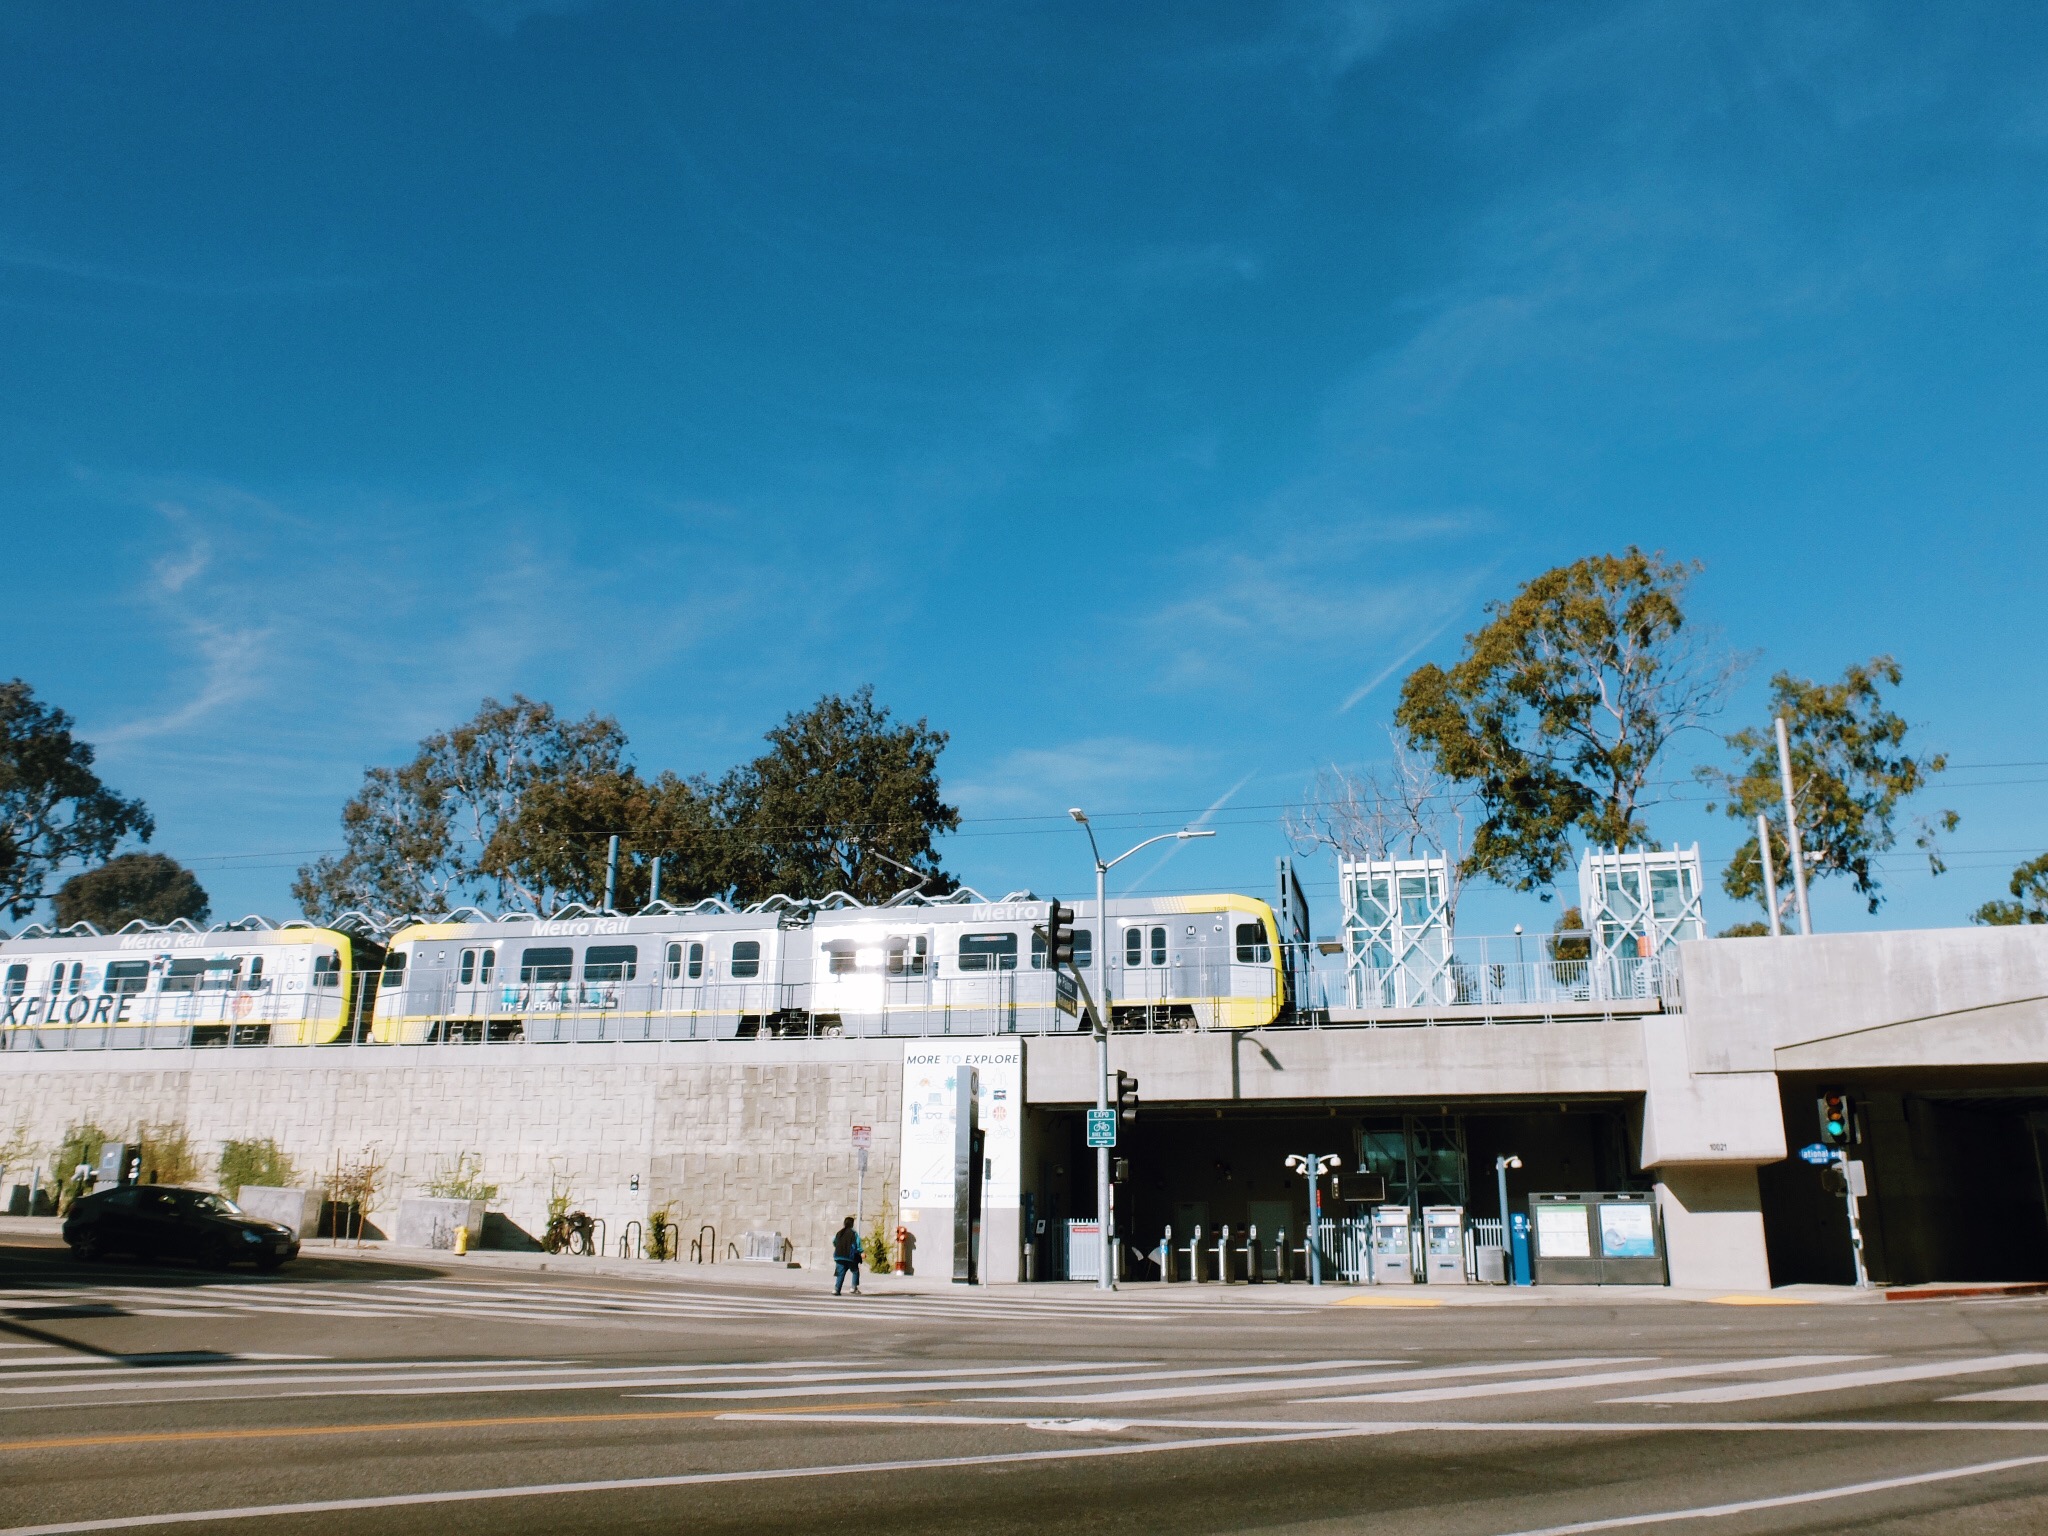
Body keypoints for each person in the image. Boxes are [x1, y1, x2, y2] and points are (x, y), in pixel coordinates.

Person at [832, 1215, 862, 1295]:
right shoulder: (853, 1233)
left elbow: (834, 1242)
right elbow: (858, 1244)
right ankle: (853, 1288)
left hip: (838, 1256)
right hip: (849, 1256)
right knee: (855, 1271)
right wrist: (861, 1251)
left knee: (840, 1273)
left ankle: (836, 1289)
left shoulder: (839, 1233)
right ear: (852, 1224)